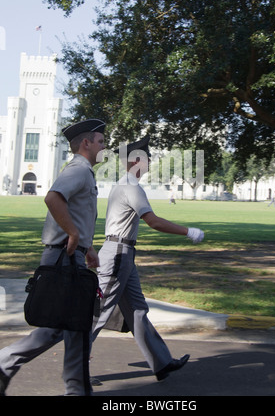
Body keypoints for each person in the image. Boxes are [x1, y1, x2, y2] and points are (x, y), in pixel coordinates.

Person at [0, 118, 106, 396]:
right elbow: (53, 198)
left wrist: (88, 246)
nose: (104, 148)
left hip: (69, 255)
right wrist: (72, 235)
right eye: (101, 142)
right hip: (63, 258)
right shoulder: (78, 170)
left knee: (69, 327)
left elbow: (76, 212)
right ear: (86, 143)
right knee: (66, 325)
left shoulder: (83, 172)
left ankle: (75, 389)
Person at [91, 135, 205, 381]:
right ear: (136, 161)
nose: (151, 162)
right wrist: (188, 231)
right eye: (148, 158)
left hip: (124, 254)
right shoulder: (131, 187)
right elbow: (152, 221)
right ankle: (75, 368)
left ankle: (161, 363)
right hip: (118, 255)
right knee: (98, 313)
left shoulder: (126, 184)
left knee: (138, 311)